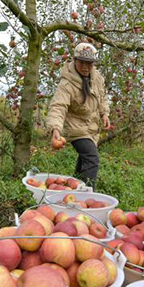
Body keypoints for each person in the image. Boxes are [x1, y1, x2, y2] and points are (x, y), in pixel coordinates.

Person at [46, 42, 110, 190]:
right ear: (75, 61)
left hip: (92, 128)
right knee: (91, 157)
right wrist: (55, 128)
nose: (86, 67)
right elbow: (58, 106)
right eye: (82, 63)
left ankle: (74, 189)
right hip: (75, 128)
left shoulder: (97, 78)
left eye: (90, 63)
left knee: (84, 161)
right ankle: (87, 195)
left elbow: (103, 96)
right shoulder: (66, 83)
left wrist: (104, 113)